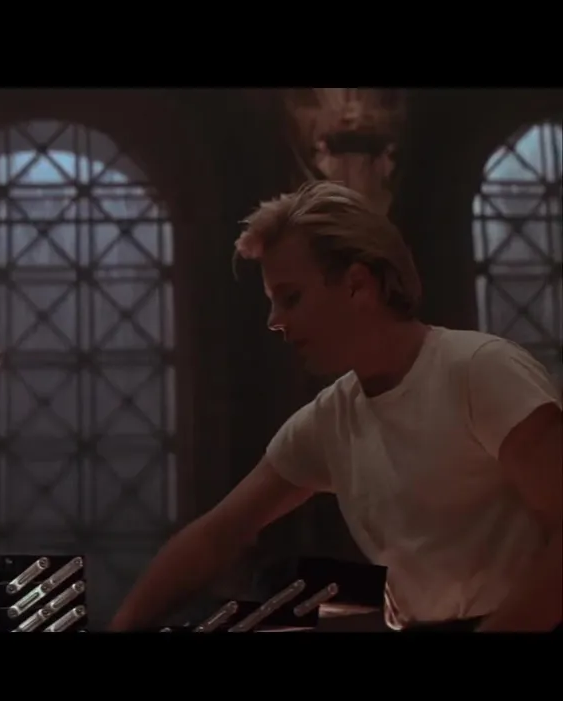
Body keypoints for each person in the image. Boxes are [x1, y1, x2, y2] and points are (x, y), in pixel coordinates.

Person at [110, 180, 562, 633]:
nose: (275, 322)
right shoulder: (331, 419)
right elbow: (218, 535)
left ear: (357, 285)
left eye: (291, 298)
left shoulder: (479, 371)